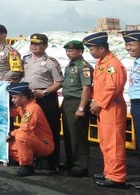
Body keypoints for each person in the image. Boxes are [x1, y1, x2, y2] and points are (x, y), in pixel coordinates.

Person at [84, 32, 127, 188]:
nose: (91, 52)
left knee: (113, 143)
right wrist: (94, 100)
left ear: (101, 48)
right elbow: (99, 86)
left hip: (112, 107)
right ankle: (109, 172)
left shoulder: (113, 65)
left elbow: (113, 87)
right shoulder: (102, 63)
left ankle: (117, 177)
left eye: (92, 49)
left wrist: (99, 103)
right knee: (105, 142)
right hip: (104, 107)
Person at [22, 33, 63, 172]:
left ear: (45, 45)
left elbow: (59, 82)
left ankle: (53, 162)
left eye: (38, 44)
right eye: (32, 43)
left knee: (50, 129)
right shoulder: (25, 60)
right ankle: (36, 159)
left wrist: (45, 92)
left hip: (46, 98)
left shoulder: (51, 62)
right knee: (31, 129)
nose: (34, 46)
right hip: (30, 98)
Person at [59, 40, 93, 177]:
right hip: (67, 101)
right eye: (67, 51)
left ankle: (80, 166)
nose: (68, 54)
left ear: (80, 51)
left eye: (71, 51)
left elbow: (86, 88)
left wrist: (81, 108)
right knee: (68, 134)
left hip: (77, 101)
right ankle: (70, 161)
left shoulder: (84, 67)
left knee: (78, 136)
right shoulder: (70, 65)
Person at [7, 82, 54, 177]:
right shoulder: (24, 107)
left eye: (14, 98)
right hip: (34, 140)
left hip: (44, 143)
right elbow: (12, 112)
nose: (12, 100)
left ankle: (27, 166)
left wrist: (11, 134)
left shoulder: (32, 109)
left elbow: (25, 130)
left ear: (24, 98)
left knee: (20, 136)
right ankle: (33, 160)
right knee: (8, 147)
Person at [123, 30, 140, 154]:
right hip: (135, 104)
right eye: (126, 44)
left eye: (131, 44)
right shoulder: (137, 61)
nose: (128, 48)